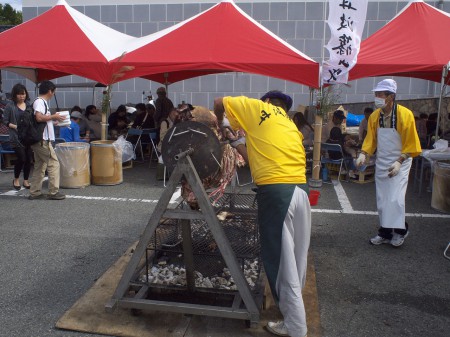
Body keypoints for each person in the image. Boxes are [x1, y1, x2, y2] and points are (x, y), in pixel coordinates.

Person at [213, 90, 311, 337]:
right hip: (300, 190)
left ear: (266, 102)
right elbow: (257, 156)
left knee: (280, 261)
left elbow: (218, 102)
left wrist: (219, 123)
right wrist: (236, 143)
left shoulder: (258, 108)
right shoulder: (288, 125)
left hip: (277, 194)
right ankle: (293, 311)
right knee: (297, 257)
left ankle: (296, 326)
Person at [356, 79, 421, 247]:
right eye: (376, 94)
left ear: (391, 96)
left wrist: (399, 161)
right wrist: (364, 153)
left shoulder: (405, 115)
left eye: (380, 94)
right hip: (383, 160)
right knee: (382, 199)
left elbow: (411, 143)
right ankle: (384, 232)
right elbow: (371, 138)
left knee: (396, 199)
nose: (377, 97)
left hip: (402, 160)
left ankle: (401, 231)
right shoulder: (375, 116)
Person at [28, 80, 66, 200]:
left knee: (40, 166)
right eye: (54, 92)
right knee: (53, 163)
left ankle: (35, 192)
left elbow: (41, 120)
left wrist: (53, 121)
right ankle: (53, 192)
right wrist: (53, 116)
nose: (53, 94)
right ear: (50, 91)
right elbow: (39, 118)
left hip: (39, 140)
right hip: (42, 140)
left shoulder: (39, 101)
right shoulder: (40, 102)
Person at [3, 83, 34, 190]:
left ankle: (25, 180)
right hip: (15, 137)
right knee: (22, 158)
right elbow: (5, 121)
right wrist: (15, 126)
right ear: (15, 95)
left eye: (24, 94)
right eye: (20, 94)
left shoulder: (29, 105)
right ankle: (16, 179)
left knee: (29, 159)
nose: (22, 96)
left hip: (27, 137)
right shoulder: (10, 105)